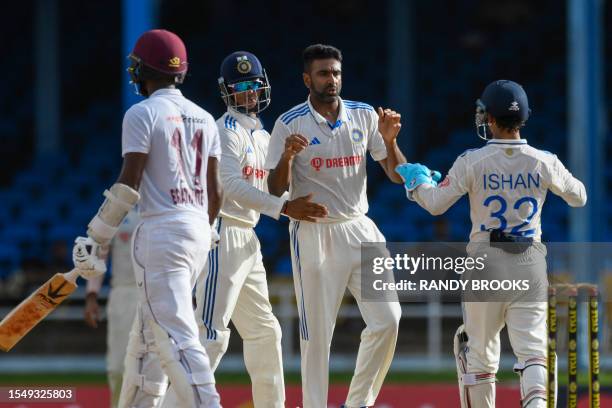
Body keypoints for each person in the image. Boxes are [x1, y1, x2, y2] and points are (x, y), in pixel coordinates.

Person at [396, 80, 587, 408]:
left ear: (492, 119)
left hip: (485, 260)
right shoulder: (543, 160)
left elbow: (436, 204)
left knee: (479, 353)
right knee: (533, 353)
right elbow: (578, 196)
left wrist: (416, 182)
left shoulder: (472, 160)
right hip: (529, 259)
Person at [71, 29, 222, 407]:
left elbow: (128, 184)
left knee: (175, 337)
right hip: (199, 233)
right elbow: (216, 192)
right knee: (145, 343)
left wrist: (96, 235)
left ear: (145, 69)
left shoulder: (141, 113)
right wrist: (204, 231)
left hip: (161, 234)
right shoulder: (205, 118)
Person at [265, 44, 406, 408]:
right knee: (317, 336)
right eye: (324, 73)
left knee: (389, 319)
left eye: (336, 73)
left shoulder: (363, 115)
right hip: (315, 232)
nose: (332, 80)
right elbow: (275, 189)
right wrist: (286, 157)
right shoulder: (289, 122)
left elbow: (395, 174)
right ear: (306, 79)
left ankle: (358, 403)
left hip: (360, 227)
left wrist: (391, 142)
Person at [83, 208, 140, 408]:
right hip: (123, 293)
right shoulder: (118, 205)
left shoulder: (166, 200)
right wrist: (92, 295)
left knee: (161, 365)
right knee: (118, 368)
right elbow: (99, 255)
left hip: (158, 293)